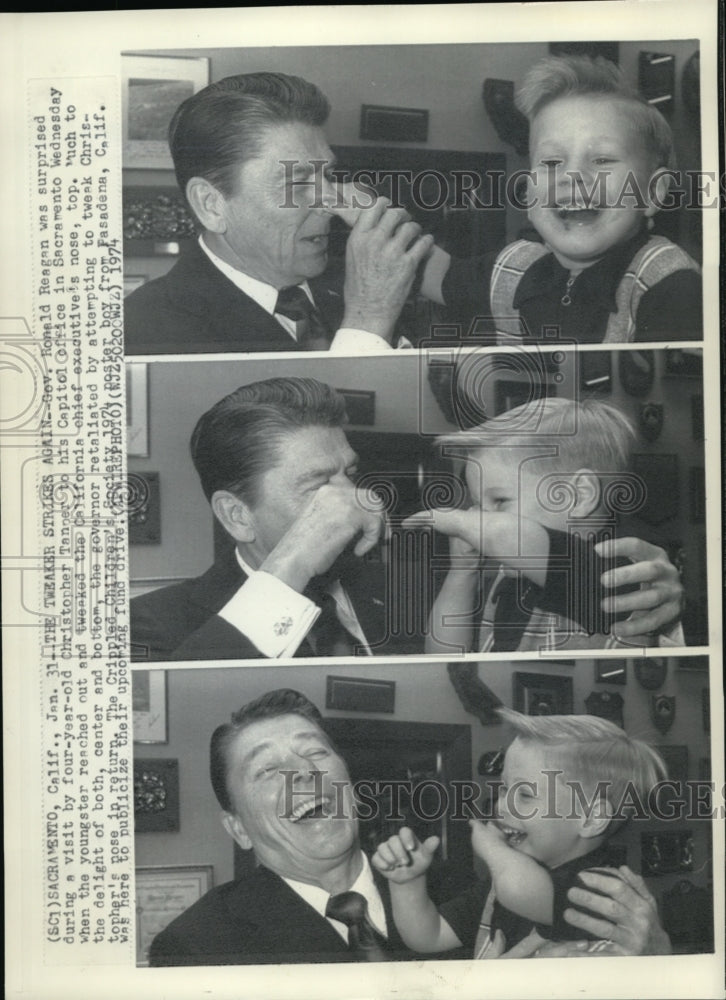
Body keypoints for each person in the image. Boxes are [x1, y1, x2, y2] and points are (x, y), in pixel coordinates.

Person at [129, 377, 686, 663]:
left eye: (350, 473)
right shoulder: (153, 628)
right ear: (236, 515)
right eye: (319, 486)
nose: (355, 498)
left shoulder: (404, 574)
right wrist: (296, 560)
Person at [149, 689, 671, 965]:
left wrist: (656, 963)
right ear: (237, 828)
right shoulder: (196, 948)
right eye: (267, 770)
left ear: (348, 779)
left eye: (315, 754)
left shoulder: (459, 883)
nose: (304, 774)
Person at [124, 72, 432, 355]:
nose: (331, 203)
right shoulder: (145, 328)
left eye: (329, 175)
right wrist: (369, 319)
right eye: (297, 182)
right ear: (211, 204)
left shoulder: (357, 279)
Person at [427, 55, 701, 343]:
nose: (571, 175)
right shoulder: (515, 266)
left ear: (653, 193)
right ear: (530, 195)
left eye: (602, 158)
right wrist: (376, 216)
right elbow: (425, 268)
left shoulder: (671, 286)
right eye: (552, 161)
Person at [372, 709, 670, 959]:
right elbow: (428, 935)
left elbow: (522, 890)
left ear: (591, 818)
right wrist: (408, 883)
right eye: (503, 788)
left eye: (525, 795)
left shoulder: (603, 889)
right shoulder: (496, 889)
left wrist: (491, 848)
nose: (501, 805)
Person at [409, 396, 680, 653]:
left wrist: (457, 520)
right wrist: (462, 574)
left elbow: (511, 536)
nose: (481, 517)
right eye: (479, 505)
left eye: (500, 501)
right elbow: (444, 657)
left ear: (579, 496)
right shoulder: (511, 575)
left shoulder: (620, 569)